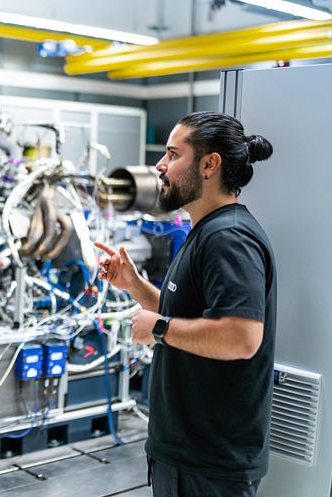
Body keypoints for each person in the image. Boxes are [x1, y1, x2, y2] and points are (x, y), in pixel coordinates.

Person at [95, 111, 276, 497]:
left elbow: (242, 336)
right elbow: (193, 316)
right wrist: (134, 285)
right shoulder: (204, 230)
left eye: (173, 155)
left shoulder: (228, 238)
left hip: (209, 463)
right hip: (186, 454)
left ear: (209, 165)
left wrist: (158, 329)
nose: (160, 165)